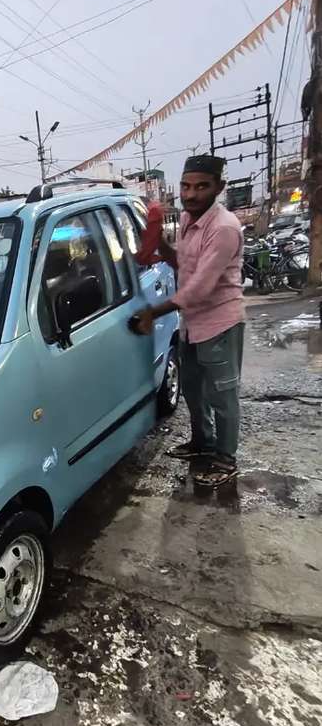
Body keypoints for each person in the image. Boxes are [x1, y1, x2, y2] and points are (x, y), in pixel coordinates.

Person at [131, 155, 245, 487]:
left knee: (223, 396)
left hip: (220, 323)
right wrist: (157, 243)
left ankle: (225, 459)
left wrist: (153, 313)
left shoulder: (223, 228)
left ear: (219, 188)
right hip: (192, 324)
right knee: (193, 390)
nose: (191, 194)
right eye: (186, 186)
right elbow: (184, 263)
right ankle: (201, 444)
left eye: (201, 187)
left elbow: (200, 287)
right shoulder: (186, 218)